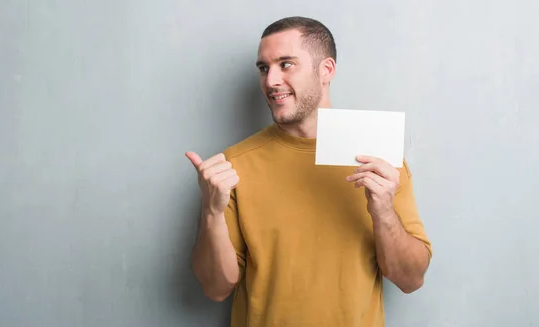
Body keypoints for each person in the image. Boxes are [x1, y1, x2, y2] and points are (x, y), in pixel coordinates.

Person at [185, 16, 432, 327]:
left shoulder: (381, 160)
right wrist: (211, 211)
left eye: (286, 64)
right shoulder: (232, 166)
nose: (270, 80)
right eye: (264, 68)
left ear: (326, 70)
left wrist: (383, 211)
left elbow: (411, 279)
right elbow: (216, 287)